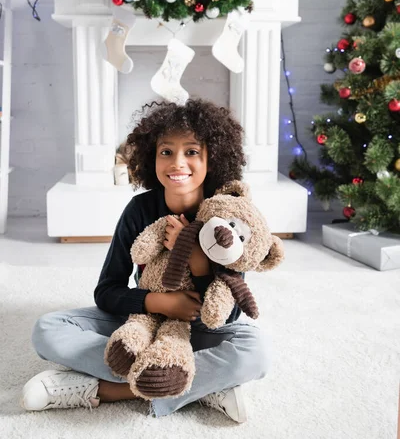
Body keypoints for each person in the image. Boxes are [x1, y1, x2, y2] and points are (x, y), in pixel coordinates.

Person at [21, 98, 272, 422]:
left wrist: (197, 261)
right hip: (144, 321)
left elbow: (231, 314)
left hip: (199, 328)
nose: (177, 162)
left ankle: (105, 390)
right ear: (150, 157)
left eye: (192, 151)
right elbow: (108, 290)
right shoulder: (139, 210)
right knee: (48, 329)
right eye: (166, 151)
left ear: (214, 157)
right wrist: (159, 303)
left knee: (256, 353)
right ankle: (202, 384)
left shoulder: (228, 212)